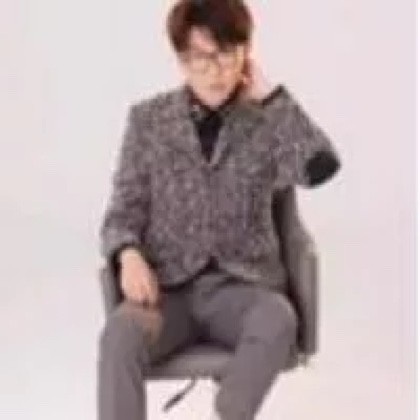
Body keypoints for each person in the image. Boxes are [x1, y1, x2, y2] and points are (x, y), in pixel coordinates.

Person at [97, 1, 342, 419]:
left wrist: (271, 97)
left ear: (247, 54)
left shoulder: (267, 122)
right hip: (167, 293)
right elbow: (122, 211)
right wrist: (128, 254)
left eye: (228, 54)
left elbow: (322, 168)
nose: (216, 71)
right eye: (202, 57)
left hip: (243, 291)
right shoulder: (148, 122)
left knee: (278, 319)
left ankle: (229, 412)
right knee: (120, 333)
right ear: (181, 59)